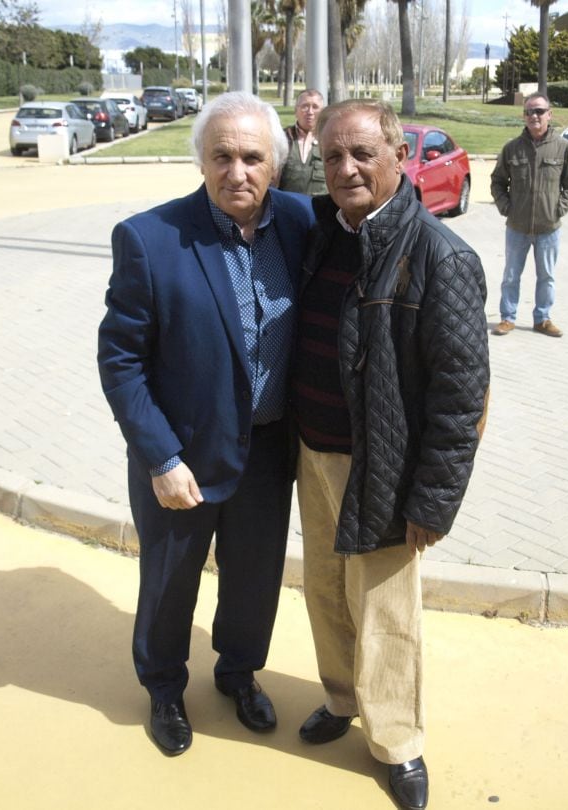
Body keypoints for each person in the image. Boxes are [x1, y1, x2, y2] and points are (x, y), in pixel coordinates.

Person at [96, 91, 314, 757]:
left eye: (252, 157)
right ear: (201, 161)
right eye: (222, 156)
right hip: (182, 457)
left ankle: (238, 674)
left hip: (269, 449)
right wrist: (159, 456)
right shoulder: (151, 239)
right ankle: (163, 688)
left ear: (274, 164)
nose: (237, 172)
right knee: (170, 582)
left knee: (254, 579)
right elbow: (120, 359)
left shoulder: (305, 224)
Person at [292, 99, 490, 810]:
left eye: (362, 154)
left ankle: (398, 742)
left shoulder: (441, 256)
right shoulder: (321, 230)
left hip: (382, 468)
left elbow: (461, 396)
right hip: (313, 453)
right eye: (333, 156)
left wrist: (434, 501)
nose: (345, 169)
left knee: (384, 612)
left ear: (398, 157)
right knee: (323, 591)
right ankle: (343, 700)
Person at [489, 92, 568, 338]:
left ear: (549, 115)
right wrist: (506, 207)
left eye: (539, 111)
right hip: (517, 227)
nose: (534, 116)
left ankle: (542, 319)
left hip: (548, 228)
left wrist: (558, 208)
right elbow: (497, 182)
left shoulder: (563, 148)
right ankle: (507, 318)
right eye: (529, 111)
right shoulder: (512, 148)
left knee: (547, 277)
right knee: (510, 275)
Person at [278, 89, 326, 195]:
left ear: (322, 112)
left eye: (315, 107)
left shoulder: (330, 139)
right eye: (305, 106)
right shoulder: (282, 138)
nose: (310, 112)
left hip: (321, 208)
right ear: (296, 111)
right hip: (287, 206)